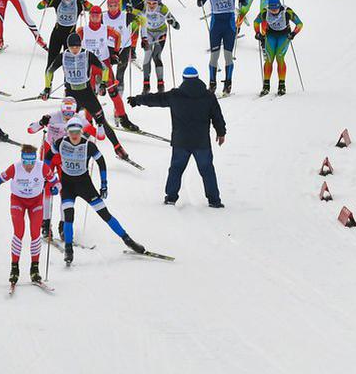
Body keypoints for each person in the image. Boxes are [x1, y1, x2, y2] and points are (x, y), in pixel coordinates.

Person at [51, 116, 146, 266]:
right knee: (68, 216)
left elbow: (101, 162)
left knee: (105, 214)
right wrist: (49, 177)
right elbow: (51, 156)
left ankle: (128, 240)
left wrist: (104, 184)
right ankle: (68, 249)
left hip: (85, 185)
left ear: (81, 131)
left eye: (77, 131)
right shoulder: (60, 143)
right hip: (67, 185)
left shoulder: (89, 146)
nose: (74, 135)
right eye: (71, 131)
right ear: (67, 132)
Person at [129, 66, 228, 207]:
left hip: (181, 142)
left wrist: (137, 100)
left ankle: (171, 197)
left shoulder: (175, 95)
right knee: (207, 170)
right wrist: (221, 132)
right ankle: (214, 201)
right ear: (198, 78)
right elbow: (217, 116)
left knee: (176, 169)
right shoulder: (208, 96)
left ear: (183, 79)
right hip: (201, 142)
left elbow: (156, 99)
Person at [0, 143, 60, 288]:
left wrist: (55, 188)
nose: (28, 165)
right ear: (22, 159)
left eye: (31, 161)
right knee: (19, 232)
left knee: (35, 234)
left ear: (35, 160)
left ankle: (34, 268)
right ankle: (14, 268)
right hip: (18, 201)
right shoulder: (15, 168)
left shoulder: (41, 167)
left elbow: (56, 182)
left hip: (36, 202)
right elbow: (1, 177)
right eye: (26, 161)